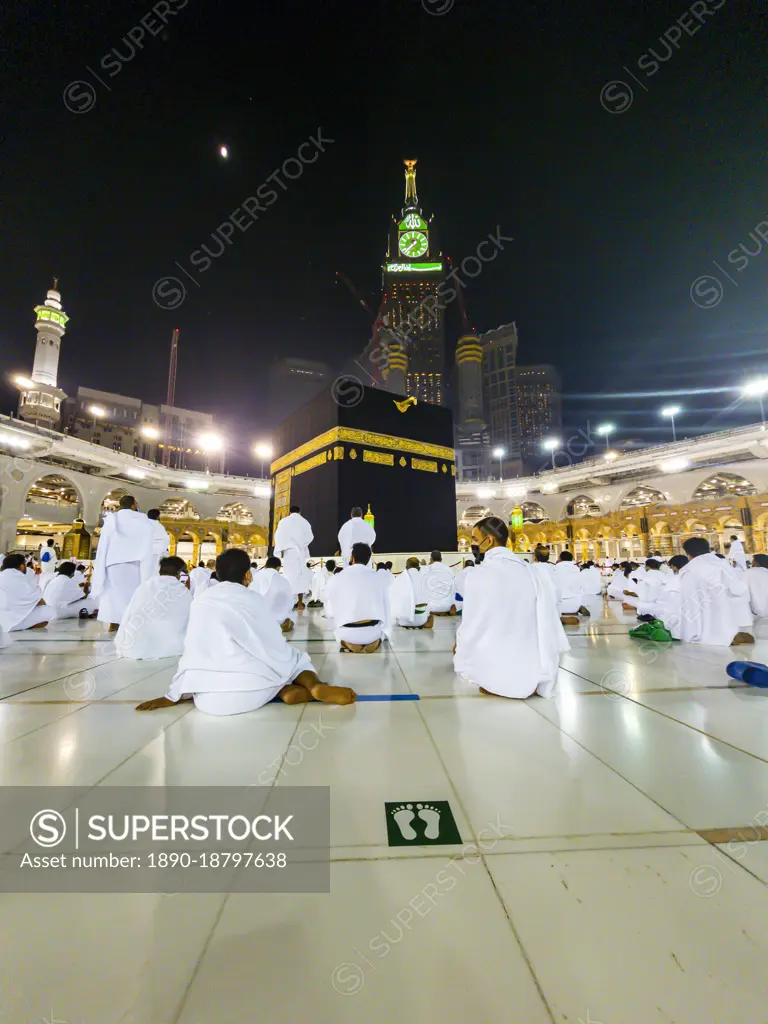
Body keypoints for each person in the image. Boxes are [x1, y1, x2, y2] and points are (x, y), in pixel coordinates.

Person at [135, 548, 356, 715]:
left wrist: (174, 694)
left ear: (217, 574)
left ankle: (282, 690)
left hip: (207, 700)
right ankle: (313, 687)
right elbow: (273, 648)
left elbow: (192, 650)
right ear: (248, 576)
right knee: (295, 658)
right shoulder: (252, 599)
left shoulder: (201, 601)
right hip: (252, 691)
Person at [454, 516, 569, 699]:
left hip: (500, 667)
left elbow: (474, 622)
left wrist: (460, 644)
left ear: (489, 540)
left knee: (466, 639)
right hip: (533, 666)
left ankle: (497, 679)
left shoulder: (480, 574)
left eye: (475, 539)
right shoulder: (530, 570)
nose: (473, 544)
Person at [91, 495, 156, 631]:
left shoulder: (112, 519)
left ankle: (114, 623)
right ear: (133, 505)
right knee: (132, 594)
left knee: (113, 594)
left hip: (113, 562)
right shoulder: (143, 520)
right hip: (135, 563)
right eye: (136, 503)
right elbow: (149, 538)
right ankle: (129, 621)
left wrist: (101, 562)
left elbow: (104, 544)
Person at [678, 537, 754, 646]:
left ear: (688, 553)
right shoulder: (721, 564)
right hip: (722, 620)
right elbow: (738, 589)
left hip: (693, 626)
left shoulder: (686, 569)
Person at [114, 556, 192, 659]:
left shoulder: (144, 586)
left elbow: (128, 615)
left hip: (134, 648)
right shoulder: (181, 590)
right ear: (179, 573)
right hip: (169, 648)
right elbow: (190, 621)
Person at [330, 542, 390, 652]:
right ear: (368, 559)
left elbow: (330, 606)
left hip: (347, 632)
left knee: (337, 632)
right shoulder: (378, 578)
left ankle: (348, 643)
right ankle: (375, 642)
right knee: (382, 633)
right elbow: (387, 608)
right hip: (372, 632)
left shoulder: (338, 577)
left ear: (352, 558)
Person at [273, 505, 314, 609]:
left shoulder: (284, 522)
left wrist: (280, 550)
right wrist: (302, 544)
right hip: (300, 552)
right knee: (300, 577)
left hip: (289, 553)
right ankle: (300, 602)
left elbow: (278, 536)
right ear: (299, 512)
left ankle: (289, 602)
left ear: (289, 512)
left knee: (289, 576)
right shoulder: (304, 522)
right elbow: (310, 536)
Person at [0, 553, 50, 632]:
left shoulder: (2, 575)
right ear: (22, 566)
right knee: (46, 611)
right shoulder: (22, 577)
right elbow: (38, 599)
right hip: (12, 622)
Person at [249, 556, 295, 632]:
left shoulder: (255, 577)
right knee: (292, 615)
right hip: (278, 619)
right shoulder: (283, 581)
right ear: (278, 568)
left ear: (266, 566)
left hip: (256, 618)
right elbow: (290, 602)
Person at [389, 557, 433, 629]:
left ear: (406, 567)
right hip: (421, 619)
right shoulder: (425, 578)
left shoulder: (399, 579)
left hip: (403, 621)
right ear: (418, 567)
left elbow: (393, 601)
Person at [553, 550, 586, 624]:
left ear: (560, 559)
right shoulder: (577, 570)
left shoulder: (554, 569)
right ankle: (577, 608)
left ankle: (561, 619)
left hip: (558, 607)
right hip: (575, 605)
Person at [422, 550, 457, 615]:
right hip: (447, 606)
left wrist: (423, 566)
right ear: (441, 559)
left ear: (431, 559)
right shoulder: (449, 569)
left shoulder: (426, 569)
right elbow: (454, 588)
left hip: (430, 607)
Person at [748, 553, 768, 617]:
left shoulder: (748, 572)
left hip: (755, 612)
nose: (752, 563)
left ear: (757, 562)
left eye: (753, 561)